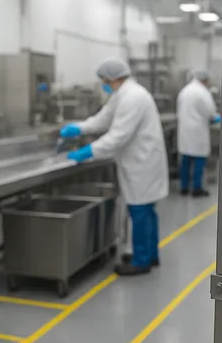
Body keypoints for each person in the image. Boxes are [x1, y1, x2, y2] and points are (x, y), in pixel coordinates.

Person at [60, 58, 169, 277]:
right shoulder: (123, 95)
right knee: (146, 211)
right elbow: (103, 119)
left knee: (140, 211)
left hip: (142, 163)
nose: (103, 84)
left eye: (103, 80)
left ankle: (141, 261)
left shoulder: (133, 98)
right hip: (140, 161)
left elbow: (118, 135)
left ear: (111, 78)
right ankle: (149, 254)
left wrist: (88, 151)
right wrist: (79, 128)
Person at [176, 69, 221, 197]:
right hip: (198, 131)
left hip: (184, 131)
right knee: (199, 160)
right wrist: (218, 117)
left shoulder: (184, 91)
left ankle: (184, 187)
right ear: (205, 80)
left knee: (185, 160)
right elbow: (210, 113)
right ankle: (197, 188)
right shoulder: (202, 92)